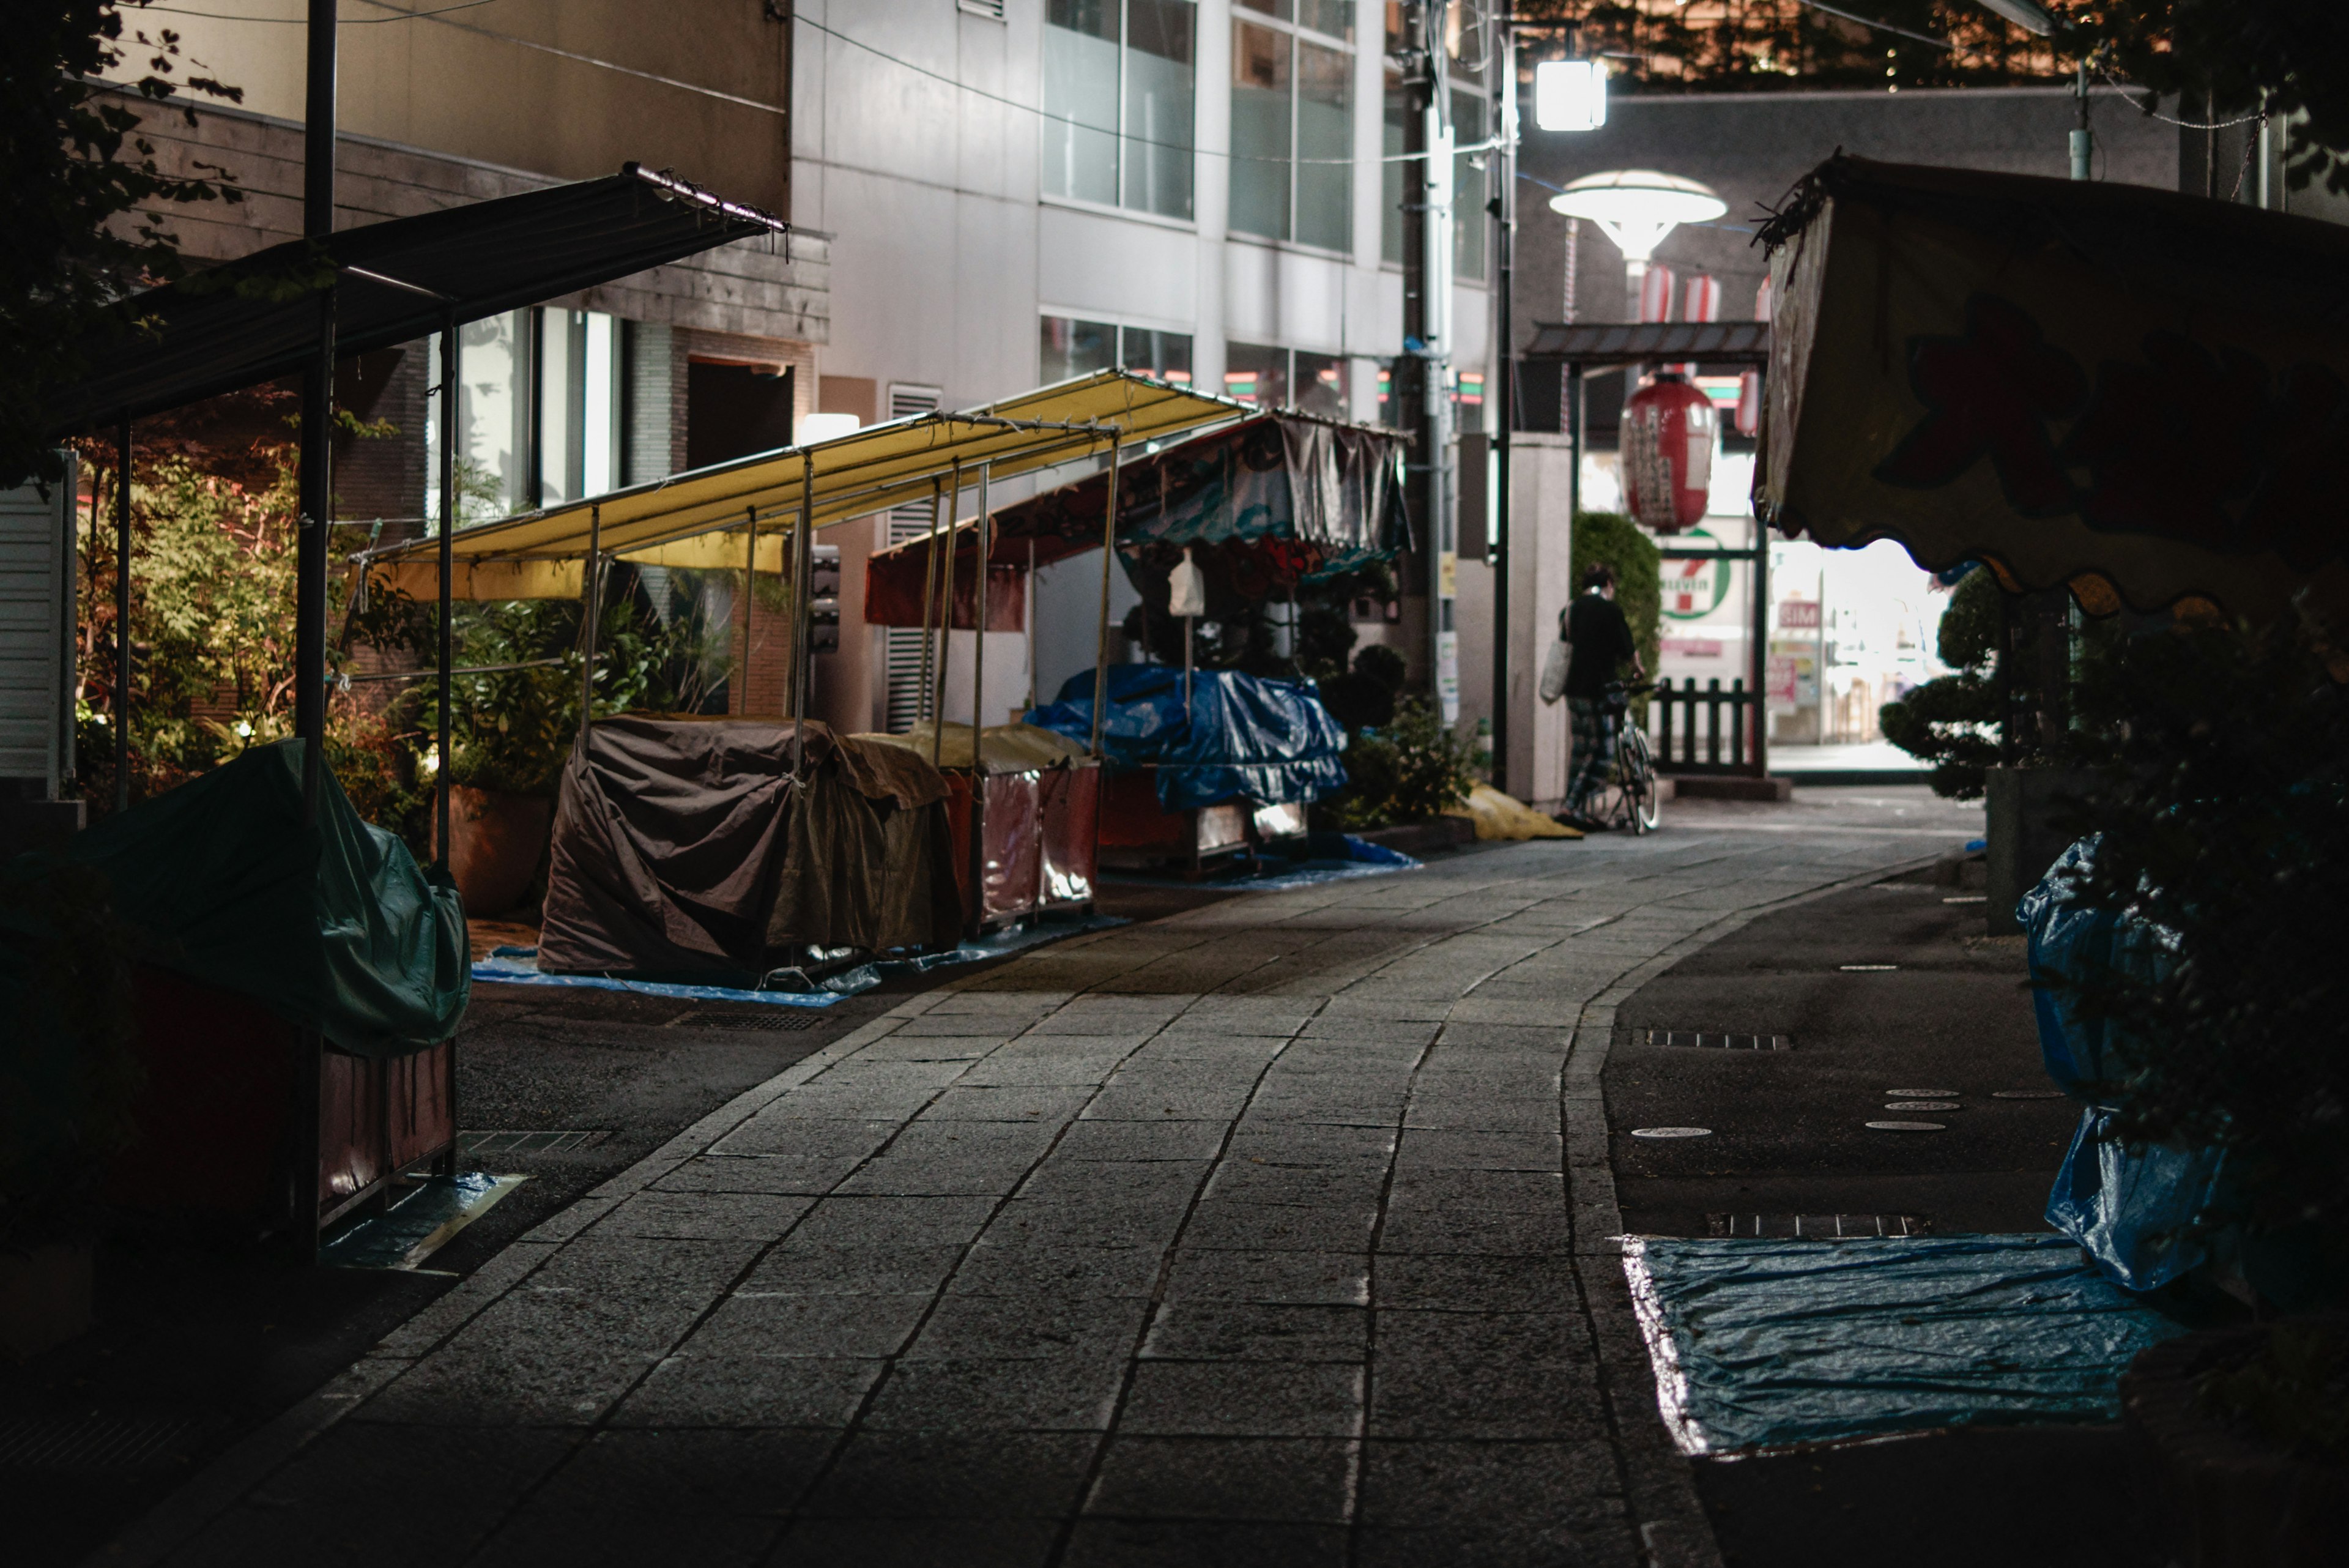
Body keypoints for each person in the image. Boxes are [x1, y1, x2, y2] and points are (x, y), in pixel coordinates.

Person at [1559, 562, 1642, 830]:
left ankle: (1579, 809)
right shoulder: (1610, 610)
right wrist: (1638, 670)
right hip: (1598, 688)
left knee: (1581, 748)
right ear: (1609, 585)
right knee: (1599, 750)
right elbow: (1628, 650)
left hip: (1573, 688)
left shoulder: (1570, 610)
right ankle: (1571, 807)